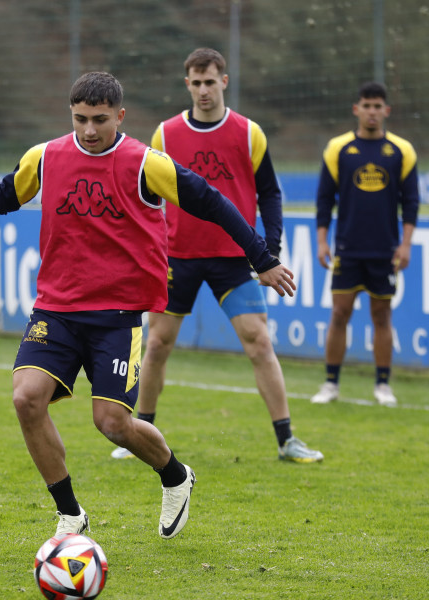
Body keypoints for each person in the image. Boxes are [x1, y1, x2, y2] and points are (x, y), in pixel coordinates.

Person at [0, 71, 297, 541]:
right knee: (26, 397)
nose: (89, 130)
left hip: (117, 315)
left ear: (120, 116)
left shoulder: (147, 163)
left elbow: (212, 203)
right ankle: (70, 515)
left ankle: (175, 476)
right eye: (80, 119)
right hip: (56, 309)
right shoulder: (44, 157)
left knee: (112, 423)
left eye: (100, 120)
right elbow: (6, 195)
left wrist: (263, 257)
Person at [110, 48, 323, 464]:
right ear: (186, 83)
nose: (204, 89)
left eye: (211, 81)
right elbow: (148, 198)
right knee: (156, 345)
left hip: (235, 259)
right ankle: (142, 437)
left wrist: (269, 251)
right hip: (177, 257)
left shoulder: (249, 133)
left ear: (224, 82)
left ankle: (286, 440)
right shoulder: (166, 134)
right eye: (196, 82)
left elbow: (270, 195)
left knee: (259, 342)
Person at [310, 81, 419, 408]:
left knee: (382, 316)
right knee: (339, 314)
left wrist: (406, 244)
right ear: (356, 109)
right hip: (347, 249)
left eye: (378, 106)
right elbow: (324, 199)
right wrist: (321, 242)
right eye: (366, 106)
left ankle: (383, 386)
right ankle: (331, 383)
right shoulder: (338, 149)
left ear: (386, 111)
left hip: (385, 251)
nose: (372, 112)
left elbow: (411, 202)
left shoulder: (401, 151)